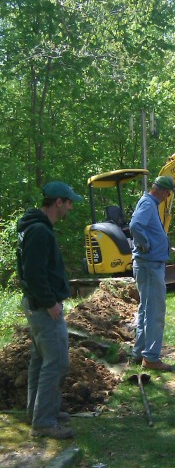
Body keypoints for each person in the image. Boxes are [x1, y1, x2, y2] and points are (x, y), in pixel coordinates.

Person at [17, 181, 83, 439]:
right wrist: (50, 302)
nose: (70, 208)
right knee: (57, 362)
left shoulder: (34, 227)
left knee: (41, 360)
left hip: (36, 304)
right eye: (69, 204)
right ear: (59, 202)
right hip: (44, 307)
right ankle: (44, 422)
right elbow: (34, 273)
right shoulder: (40, 232)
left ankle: (38, 411)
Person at [129, 175, 175, 371]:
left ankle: (139, 352)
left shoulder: (147, 202)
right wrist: (145, 244)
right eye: (168, 193)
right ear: (163, 191)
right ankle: (151, 358)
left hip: (148, 265)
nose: (167, 197)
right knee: (155, 312)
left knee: (146, 310)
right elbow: (135, 226)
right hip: (149, 265)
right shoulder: (148, 203)